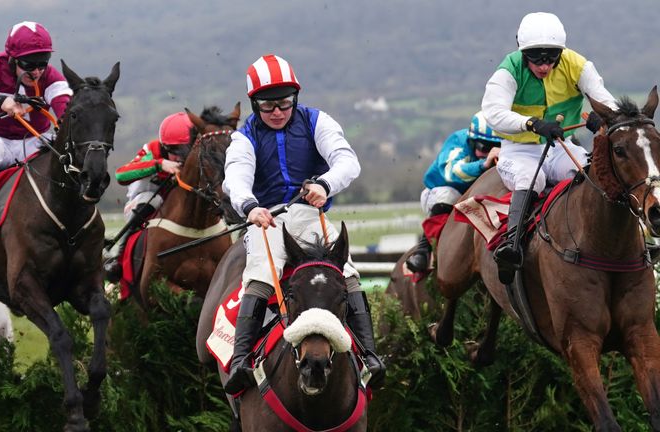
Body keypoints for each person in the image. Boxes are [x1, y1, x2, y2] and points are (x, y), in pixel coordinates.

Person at [222, 54, 385, 394]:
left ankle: (370, 356)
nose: (278, 112)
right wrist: (250, 207)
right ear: (254, 104)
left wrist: (324, 185)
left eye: (285, 103)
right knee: (262, 275)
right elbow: (235, 177)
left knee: (348, 274)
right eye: (268, 107)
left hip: (312, 214)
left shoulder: (316, 120)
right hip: (266, 219)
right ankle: (240, 362)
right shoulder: (244, 136)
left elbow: (346, 161)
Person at [482, 12, 615, 284]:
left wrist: (604, 120)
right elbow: (493, 113)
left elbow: (606, 101)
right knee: (533, 178)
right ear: (522, 51)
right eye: (536, 58)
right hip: (519, 150)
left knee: (588, 175)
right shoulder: (508, 70)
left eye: (551, 57)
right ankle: (512, 246)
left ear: (561, 52)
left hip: (559, 146)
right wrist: (531, 123)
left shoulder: (578, 65)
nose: (544, 65)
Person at [0, 21, 72, 248]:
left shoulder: (50, 77)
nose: (37, 72)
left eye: (42, 64)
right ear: (12, 58)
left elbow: (63, 103)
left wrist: (62, 121)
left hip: (32, 140)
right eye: (30, 64)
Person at [102, 112, 194, 282]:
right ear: (164, 147)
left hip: (174, 205)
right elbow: (121, 175)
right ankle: (118, 260)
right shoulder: (152, 150)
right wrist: (159, 165)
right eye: (175, 151)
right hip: (144, 201)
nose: (180, 157)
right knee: (152, 201)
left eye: (185, 150)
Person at [405, 112, 502, 273]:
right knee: (449, 194)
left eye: (494, 147)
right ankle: (423, 250)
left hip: (473, 197)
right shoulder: (458, 141)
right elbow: (451, 172)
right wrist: (483, 165)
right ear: (471, 141)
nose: (489, 152)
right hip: (440, 195)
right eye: (483, 147)